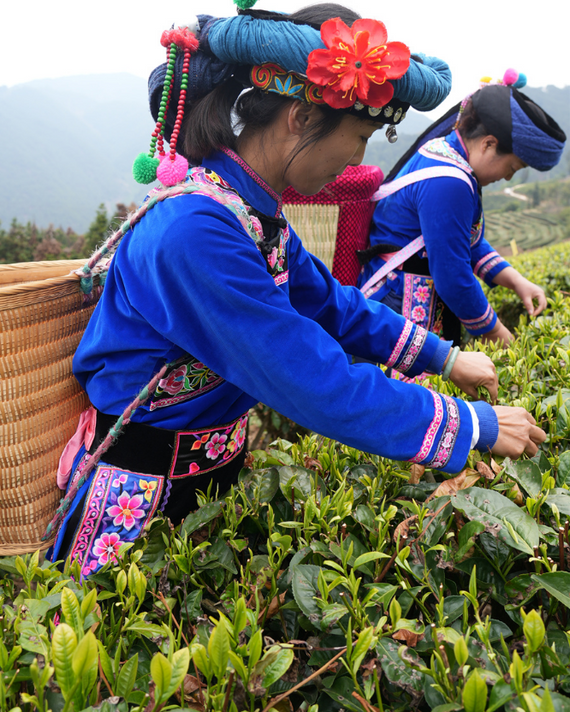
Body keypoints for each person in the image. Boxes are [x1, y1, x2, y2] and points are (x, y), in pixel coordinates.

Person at [46, 5, 545, 576]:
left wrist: (445, 357)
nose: (362, 161)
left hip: (206, 480)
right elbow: (309, 378)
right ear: (302, 118)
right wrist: (471, 425)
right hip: (140, 497)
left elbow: (333, 305)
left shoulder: (255, 216)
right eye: (359, 137)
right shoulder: (195, 232)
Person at [359, 71, 566, 346]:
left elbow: (464, 241)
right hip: (401, 306)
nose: (507, 178)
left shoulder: (442, 153)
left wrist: (517, 282)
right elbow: (453, 276)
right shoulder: (449, 180)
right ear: (489, 144)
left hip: (391, 297)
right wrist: (496, 332)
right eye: (512, 167)